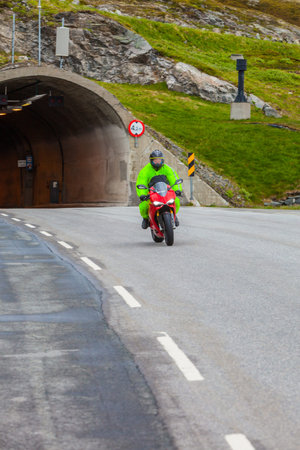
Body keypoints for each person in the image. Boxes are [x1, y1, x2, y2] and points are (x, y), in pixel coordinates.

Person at [136, 149, 183, 229]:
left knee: (176, 201)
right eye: (155, 161)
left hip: (166, 192)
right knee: (144, 206)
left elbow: (174, 179)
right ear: (151, 161)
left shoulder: (168, 169)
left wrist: (177, 190)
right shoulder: (145, 171)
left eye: (159, 160)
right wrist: (142, 194)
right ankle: (146, 218)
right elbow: (141, 182)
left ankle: (174, 215)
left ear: (162, 160)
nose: (157, 162)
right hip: (152, 193)